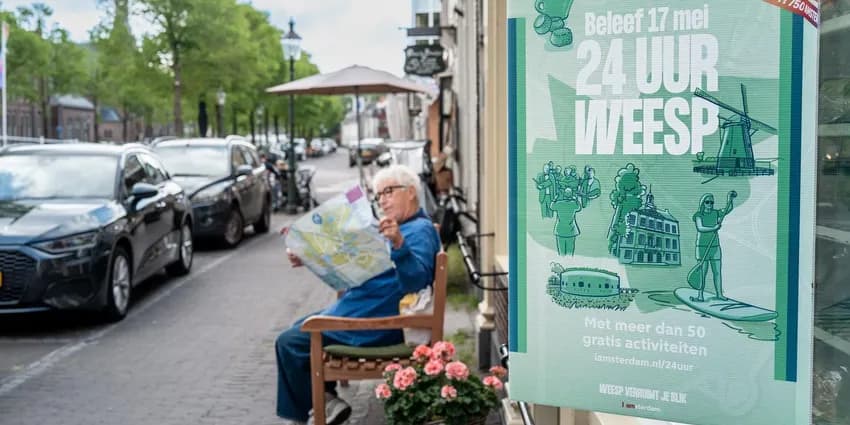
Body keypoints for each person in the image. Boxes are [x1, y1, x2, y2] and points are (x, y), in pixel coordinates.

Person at [275, 164, 441, 425]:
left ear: (411, 192)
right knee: (298, 330)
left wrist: (398, 244)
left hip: (375, 321)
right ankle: (325, 402)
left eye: (388, 192)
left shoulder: (417, 230)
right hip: (364, 311)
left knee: (290, 342)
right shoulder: (403, 227)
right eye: (378, 195)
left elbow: (416, 282)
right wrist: (308, 256)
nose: (382, 201)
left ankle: (320, 406)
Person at [691, 191, 736, 302]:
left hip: (715, 246)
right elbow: (700, 228)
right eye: (707, 202)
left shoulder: (716, 213)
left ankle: (719, 294)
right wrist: (714, 228)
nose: (710, 204)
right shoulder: (698, 215)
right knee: (702, 272)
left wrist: (729, 199)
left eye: (712, 202)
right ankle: (700, 295)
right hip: (702, 247)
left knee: (717, 272)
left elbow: (728, 209)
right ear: (703, 203)